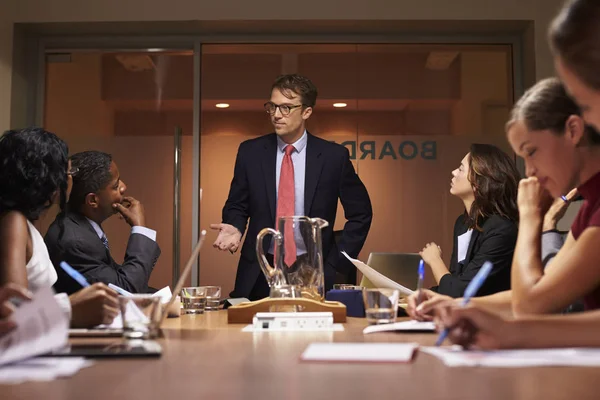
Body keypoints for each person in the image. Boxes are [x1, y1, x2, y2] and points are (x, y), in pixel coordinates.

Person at [410, 78, 600, 322]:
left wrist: (532, 217)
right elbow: (532, 297)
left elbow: (534, 302)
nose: (530, 171)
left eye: (531, 152)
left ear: (573, 131)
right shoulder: (588, 208)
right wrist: (451, 304)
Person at [211, 74, 373, 300]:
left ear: (306, 111)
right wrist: (236, 226)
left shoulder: (333, 157)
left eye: (286, 108)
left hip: (313, 271)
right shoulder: (250, 152)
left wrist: (336, 262)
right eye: (272, 107)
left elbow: (361, 213)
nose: (276, 115)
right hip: (260, 270)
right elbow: (237, 204)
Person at [0, 128, 118, 328]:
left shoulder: (24, 222)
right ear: (48, 178)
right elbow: (14, 312)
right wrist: (70, 307)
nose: (70, 179)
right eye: (68, 172)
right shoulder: (14, 221)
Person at [45, 151, 161, 295]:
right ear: (93, 200)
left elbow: (120, 281)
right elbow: (127, 290)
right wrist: (140, 229)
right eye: (115, 185)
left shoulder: (82, 227)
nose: (124, 187)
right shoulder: (75, 241)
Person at [416, 144, 519, 299]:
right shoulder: (463, 223)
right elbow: (455, 282)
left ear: (479, 181)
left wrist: (435, 260)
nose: (453, 172)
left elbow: (461, 293)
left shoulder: (501, 229)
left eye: (461, 169)